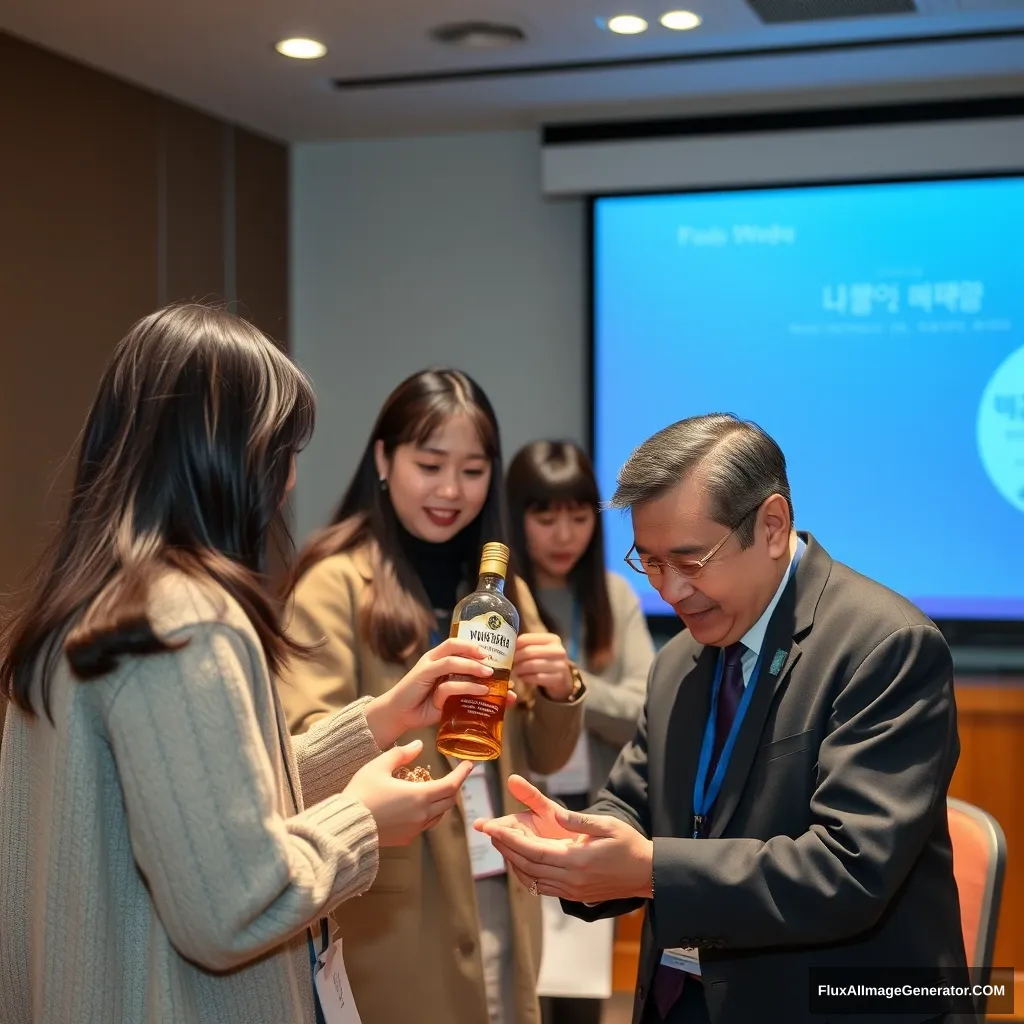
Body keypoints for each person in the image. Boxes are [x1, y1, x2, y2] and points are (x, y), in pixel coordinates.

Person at [0, 305, 505, 1024]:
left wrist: (380, 720)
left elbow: (205, 799)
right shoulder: (186, 619)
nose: (291, 481)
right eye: (282, 451)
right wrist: (362, 818)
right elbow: (232, 903)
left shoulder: (87, 598)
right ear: (223, 454)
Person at [477, 413, 973, 1024]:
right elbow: (632, 801)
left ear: (771, 526)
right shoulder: (678, 661)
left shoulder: (886, 645)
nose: (670, 591)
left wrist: (651, 871)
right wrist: (575, 842)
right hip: (682, 996)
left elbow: (847, 870)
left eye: (689, 561)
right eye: (651, 563)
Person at [277, 369, 586, 1024]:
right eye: (430, 464)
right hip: (393, 905)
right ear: (384, 460)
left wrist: (561, 689)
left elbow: (541, 755)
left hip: (500, 885)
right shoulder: (335, 582)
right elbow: (305, 752)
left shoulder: (504, 596)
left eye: (473, 470)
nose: (451, 490)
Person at [506, 440, 655, 1024]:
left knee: (577, 1001)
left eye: (578, 517)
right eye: (545, 517)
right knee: (519, 989)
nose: (564, 534)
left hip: (587, 812)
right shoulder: (493, 603)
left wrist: (568, 688)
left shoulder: (613, 597)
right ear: (515, 520)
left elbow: (644, 708)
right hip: (510, 807)